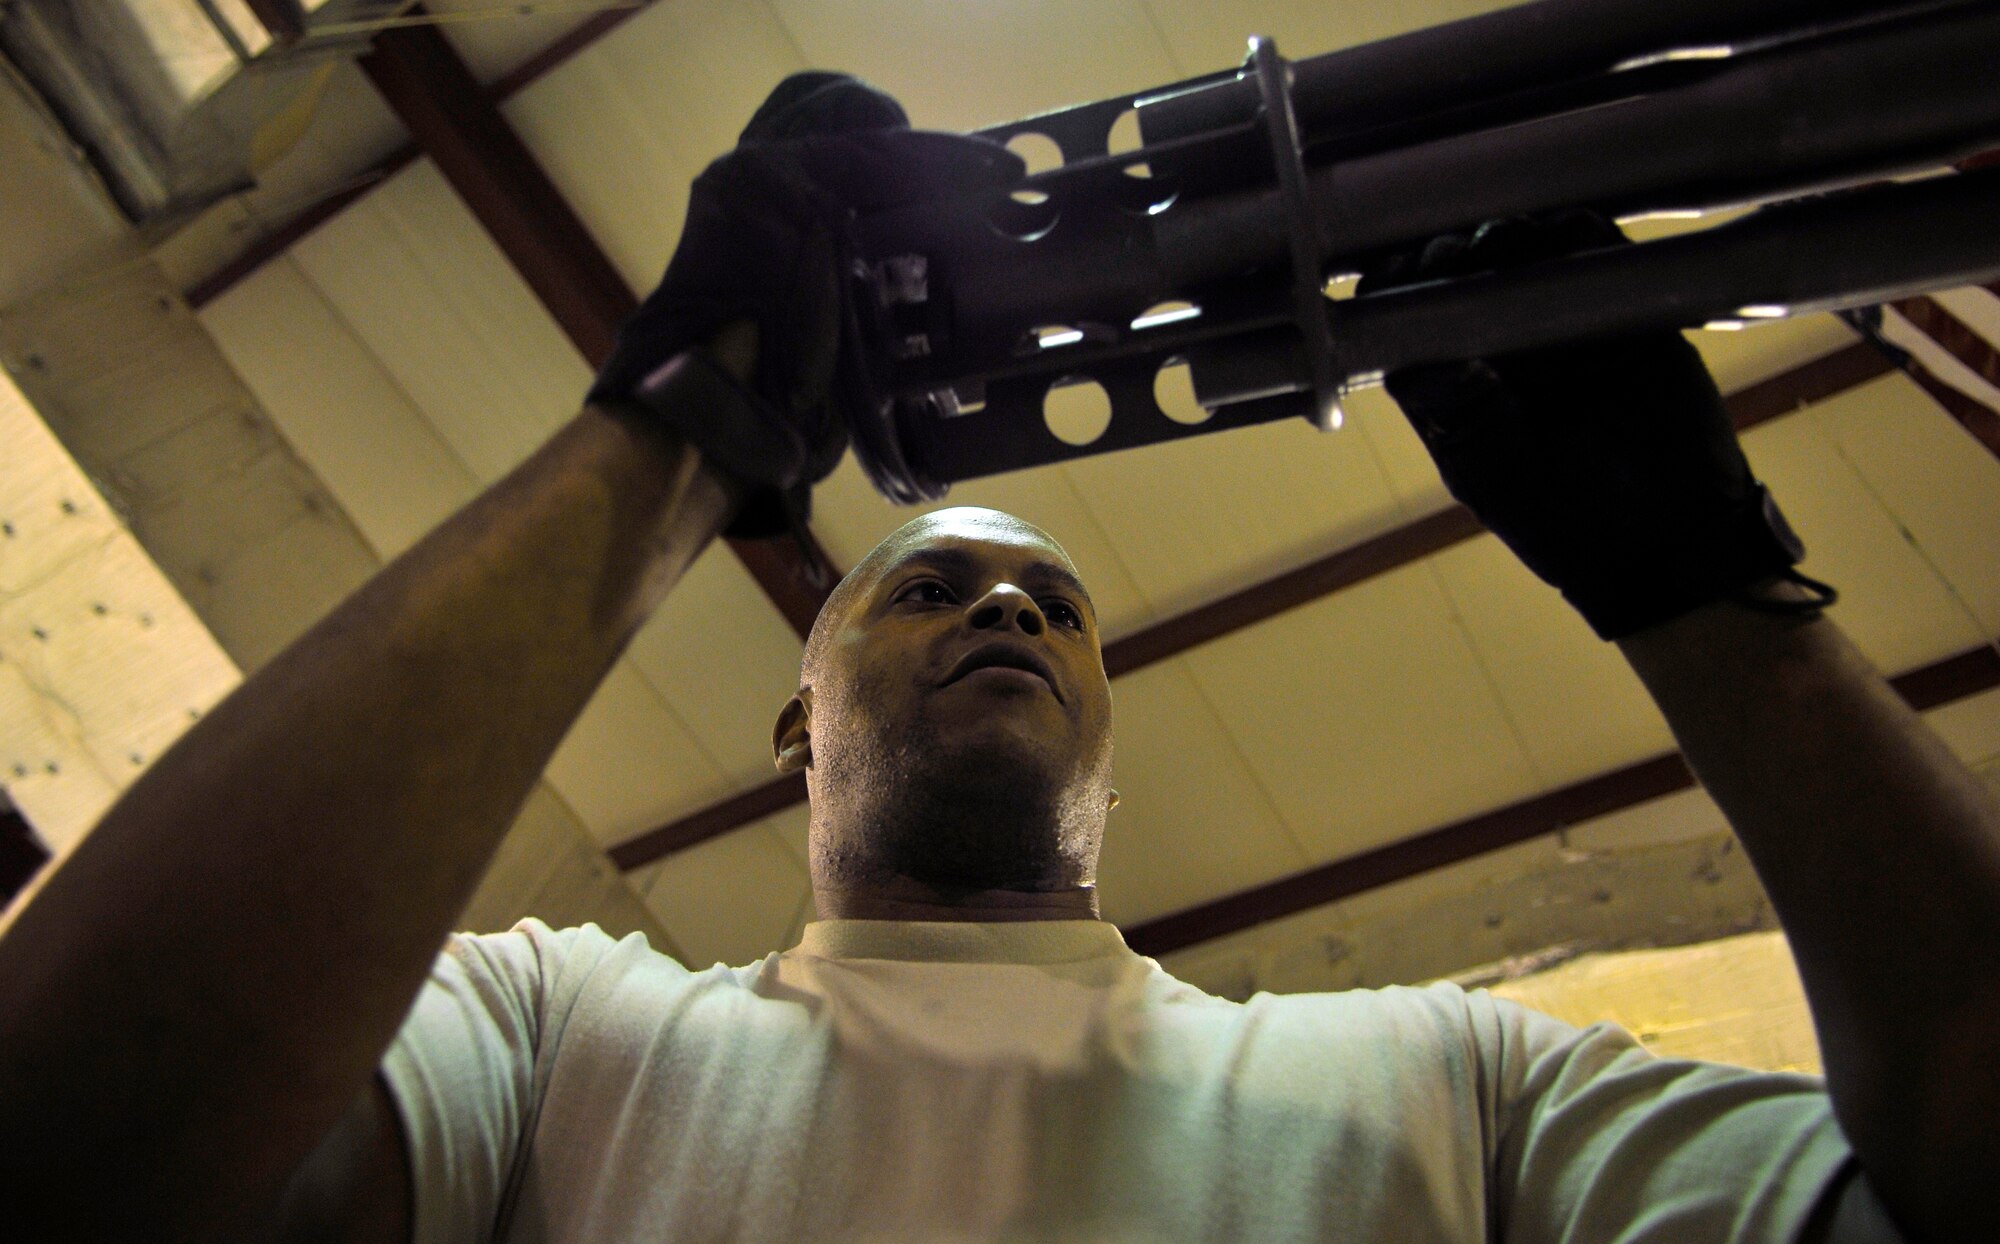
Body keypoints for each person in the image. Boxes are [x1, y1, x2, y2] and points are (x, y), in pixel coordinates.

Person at [2, 73, 1996, 1244]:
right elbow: (71, 1137)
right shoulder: (559, 1043)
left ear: (1107, 745)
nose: (1013, 609)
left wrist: (1712, 598)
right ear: (796, 723)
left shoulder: (1450, 1081)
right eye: (928, 588)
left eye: (1055, 603)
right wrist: (672, 438)